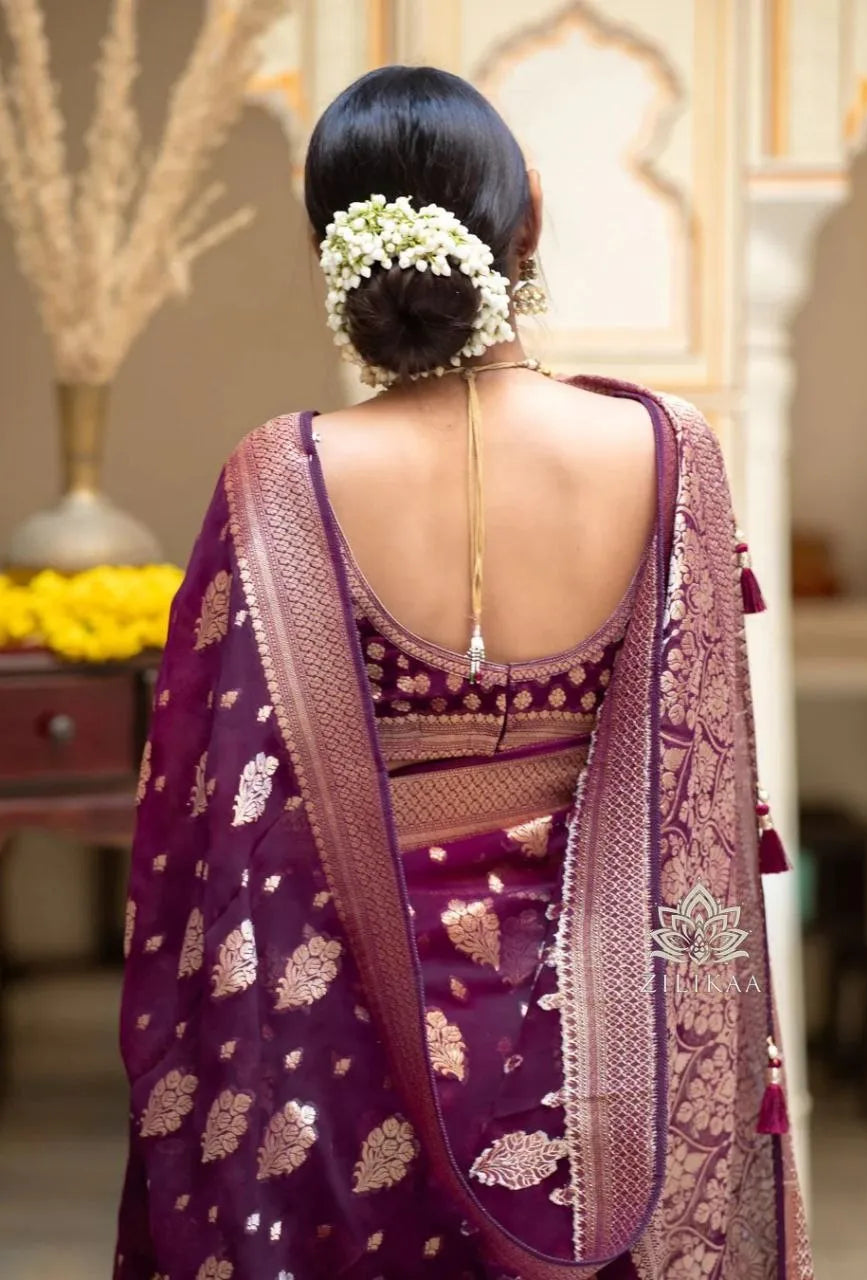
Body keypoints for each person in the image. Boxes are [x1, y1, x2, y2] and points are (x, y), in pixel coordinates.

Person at [114, 65, 813, 1280]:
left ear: (330, 248)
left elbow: (211, 822)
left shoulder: (281, 475)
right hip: (604, 1060)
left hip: (347, 1053)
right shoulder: (667, 453)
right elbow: (699, 795)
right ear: (528, 211)